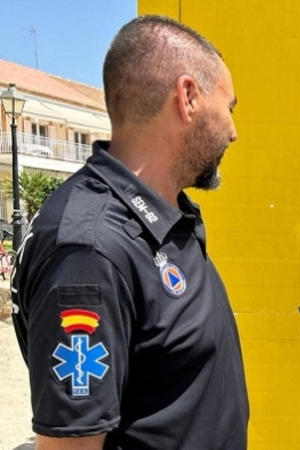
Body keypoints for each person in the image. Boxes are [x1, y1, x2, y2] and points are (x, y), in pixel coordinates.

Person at [11, 15, 249, 450]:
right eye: (229, 108)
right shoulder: (90, 249)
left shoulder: (161, 219)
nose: (233, 133)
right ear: (188, 97)